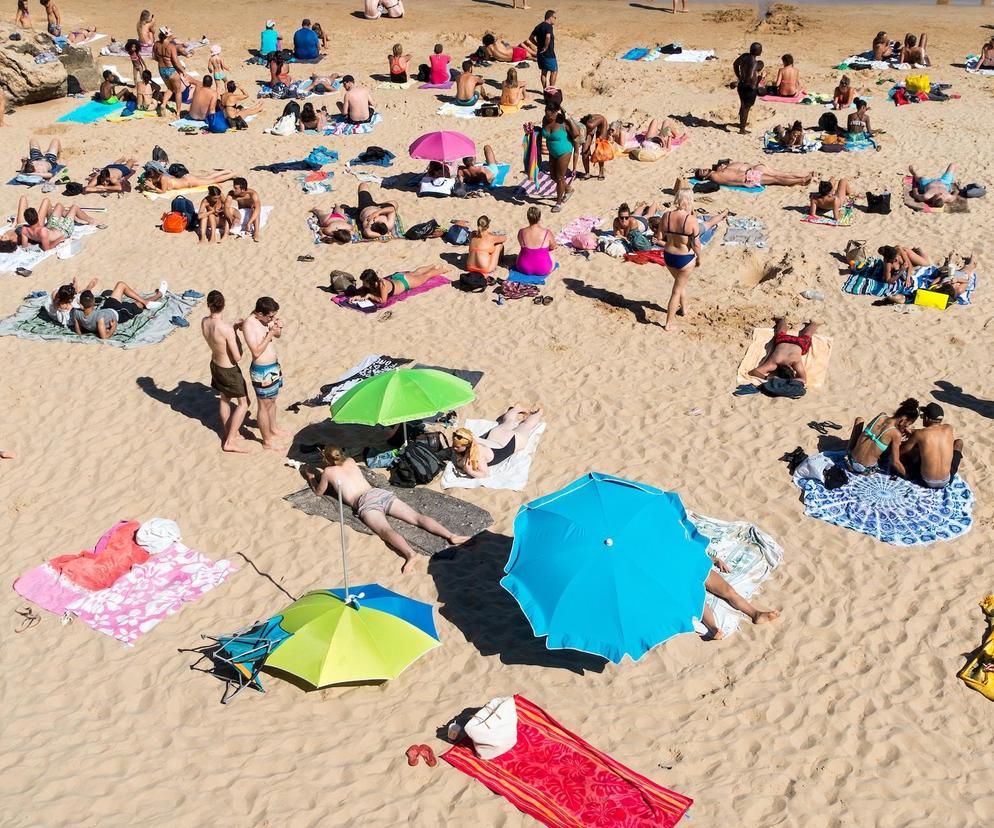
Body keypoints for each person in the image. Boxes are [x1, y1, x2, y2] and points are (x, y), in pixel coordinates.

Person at [297, 446, 470, 574]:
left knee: (386, 530)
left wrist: (311, 478)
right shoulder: (350, 461)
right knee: (416, 517)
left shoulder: (327, 471)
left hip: (365, 502)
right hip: (378, 493)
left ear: (326, 458)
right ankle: (451, 536)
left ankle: (411, 554)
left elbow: (319, 492)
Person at [201, 290, 250, 453]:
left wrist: (233, 329)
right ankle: (229, 441)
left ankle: (231, 432)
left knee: (224, 400)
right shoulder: (225, 328)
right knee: (243, 404)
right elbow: (237, 357)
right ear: (224, 305)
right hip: (228, 369)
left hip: (215, 364)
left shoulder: (204, 322)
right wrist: (235, 333)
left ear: (209, 305)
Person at [242, 296, 285, 451]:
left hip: (273, 367)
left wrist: (278, 327)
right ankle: (266, 440)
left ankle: (273, 429)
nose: (272, 318)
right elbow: (256, 351)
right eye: (270, 316)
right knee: (263, 405)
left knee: (273, 400)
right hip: (262, 371)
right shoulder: (249, 324)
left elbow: (277, 335)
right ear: (259, 313)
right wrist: (270, 333)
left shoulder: (265, 320)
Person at [451, 406, 543, 478]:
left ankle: (539, 413)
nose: (454, 448)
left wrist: (470, 471)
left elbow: (485, 474)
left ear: (467, 445)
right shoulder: (470, 438)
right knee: (509, 421)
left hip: (511, 441)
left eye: (457, 446)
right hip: (497, 437)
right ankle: (516, 409)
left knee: (526, 425)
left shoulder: (477, 454)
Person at [657, 188, 702, 331]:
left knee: (679, 284)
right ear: (690, 201)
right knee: (676, 290)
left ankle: (684, 309)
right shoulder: (691, 220)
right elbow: (696, 244)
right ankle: (669, 323)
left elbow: (659, 237)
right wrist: (699, 258)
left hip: (669, 256)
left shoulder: (666, 215)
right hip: (685, 258)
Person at [700, 567, 780, 640]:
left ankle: (756, 614)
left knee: (729, 591)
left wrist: (715, 559)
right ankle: (713, 628)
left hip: (696, 563)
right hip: (688, 575)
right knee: (699, 598)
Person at [845, 398, 920, 476]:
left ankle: (848, 450)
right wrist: (906, 475)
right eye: (908, 423)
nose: (907, 426)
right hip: (866, 470)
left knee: (859, 420)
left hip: (849, 462)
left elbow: (886, 427)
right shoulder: (896, 434)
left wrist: (904, 428)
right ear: (904, 419)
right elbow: (895, 462)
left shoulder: (881, 416)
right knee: (893, 447)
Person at [70, 280, 167, 340]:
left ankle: (146, 302)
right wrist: (113, 327)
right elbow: (104, 337)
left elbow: (78, 331)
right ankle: (159, 295)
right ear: (93, 303)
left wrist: (82, 332)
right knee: (138, 304)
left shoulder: (77, 314)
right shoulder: (99, 319)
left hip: (107, 308)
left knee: (120, 284)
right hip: (119, 314)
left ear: (81, 305)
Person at [899, 402, 964, 489]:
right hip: (946, 480)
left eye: (923, 416)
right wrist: (913, 432)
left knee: (913, 448)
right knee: (959, 442)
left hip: (925, 481)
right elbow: (932, 432)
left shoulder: (919, 434)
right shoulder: (949, 428)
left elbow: (902, 451)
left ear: (926, 418)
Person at [532, 102, 576, 212]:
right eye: (545, 113)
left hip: (564, 151)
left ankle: (558, 203)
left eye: (549, 115)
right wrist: (533, 129)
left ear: (555, 113)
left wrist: (569, 119)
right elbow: (543, 132)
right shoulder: (545, 120)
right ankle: (568, 189)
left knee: (560, 177)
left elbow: (576, 134)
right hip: (552, 152)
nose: (547, 117)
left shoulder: (562, 121)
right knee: (553, 176)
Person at [747, 318, 820, 385]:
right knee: (780, 332)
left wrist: (767, 378)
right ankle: (782, 320)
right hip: (783, 340)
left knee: (807, 335)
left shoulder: (794, 362)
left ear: (792, 369)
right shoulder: (774, 363)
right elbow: (753, 372)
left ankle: (814, 324)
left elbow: (803, 380)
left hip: (799, 344)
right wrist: (767, 378)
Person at [352, 265, 452, 305]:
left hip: (405, 282)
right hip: (397, 278)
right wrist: (357, 297)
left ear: (371, 282)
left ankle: (444, 269)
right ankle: (432, 266)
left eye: (365, 282)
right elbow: (364, 292)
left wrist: (370, 296)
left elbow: (383, 300)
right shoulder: (375, 283)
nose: (363, 284)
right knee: (415, 273)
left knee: (426, 276)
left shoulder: (382, 285)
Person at [19, 201, 98, 250]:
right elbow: (46, 248)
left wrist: (31, 242)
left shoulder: (24, 230)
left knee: (59, 205)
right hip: (64, 231)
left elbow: (25, 245)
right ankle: (91, 220)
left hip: (51, 227)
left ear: (26, 220)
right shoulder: (42, 231)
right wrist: (59, 240)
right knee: (75, 207)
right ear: (37, 216)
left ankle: (70, 216)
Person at [695, 161, 811, 188]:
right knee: (777, 178)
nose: (704, 169)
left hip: (749, 174)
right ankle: (801, 181)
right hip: (748, 178)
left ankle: (802, 178)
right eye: (702, 172)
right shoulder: (714, 176)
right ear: (704, 177)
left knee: (778, 177)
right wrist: (743, 184)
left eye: (702, 168)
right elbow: (728, 182)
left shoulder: (716, 172)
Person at [152, 26, 185, 118]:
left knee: (170, 88)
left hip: (161, 69)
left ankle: (163, 104)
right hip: (171, 70)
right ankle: (178, 113)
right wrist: (183, 71)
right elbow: (176, 62)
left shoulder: (156, 44)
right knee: (178, 91)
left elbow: (154, 57)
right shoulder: (171, 47)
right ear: (167, 36)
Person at [515, 206, 556, 276]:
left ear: (528, 218)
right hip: (543, 269)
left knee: (523, 251)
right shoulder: (547, 232)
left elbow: (521, 244)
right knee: (552, 254)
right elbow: (553, 246)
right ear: (539, 218)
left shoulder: (521, 232)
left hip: (523, 267)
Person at [733, 42, 763, 134]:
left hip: (741, 86)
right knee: (746, 108)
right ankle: (742, 129)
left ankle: (741, 124)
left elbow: (735, 64)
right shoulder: (754, 62)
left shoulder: (744, 56)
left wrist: (739, 77)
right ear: (758, 51)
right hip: (749, 87)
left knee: (743, 106)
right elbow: (750, 76)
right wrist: (758, 80)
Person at [224, 178, 262, 242]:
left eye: (236, 188)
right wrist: (231, 220)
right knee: (228, 209)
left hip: (251, 214)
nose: (234, 190)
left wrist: (249, 222)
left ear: (243, 190)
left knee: (255, 208)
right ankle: (226, 234)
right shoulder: (232, 194)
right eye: (233, 187)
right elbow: (226, 207)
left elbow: (258, 208)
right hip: (240, 214)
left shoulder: (252, 194)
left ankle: (256, 233)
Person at [142, 167, 235, 193]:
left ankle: (232, 174)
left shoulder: (163, 180)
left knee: (214, 180)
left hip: (189, 182)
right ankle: (227, 171)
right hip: (187, 178)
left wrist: (152, 186)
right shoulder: (162, 176)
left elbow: (163, 191)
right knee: (208, 177)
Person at [578, 113, 612, 180]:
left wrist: (601, 137)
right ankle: (587, 173)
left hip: (601, 125)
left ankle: (601, 172)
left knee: (600, 150)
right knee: (584, 151)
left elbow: (602, 121)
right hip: (590, 127)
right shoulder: (581, 127)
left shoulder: (591, 125)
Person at [530, 9, 557, 89]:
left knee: (543, 72)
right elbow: (548, 36)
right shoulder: (548, 26)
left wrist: (538, 45)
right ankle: (551, 90)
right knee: (554, 71)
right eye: (555, 17)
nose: (555, 19)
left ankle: (545, 89)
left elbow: (531, 38)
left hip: (540, 53)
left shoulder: (538, 26)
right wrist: (545, 47)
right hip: (548, 53)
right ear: (550, 17)